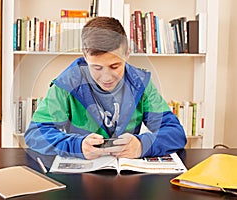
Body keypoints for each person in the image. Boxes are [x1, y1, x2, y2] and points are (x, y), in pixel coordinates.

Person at [24, 17, 186, 160]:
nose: (107, 77)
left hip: (126, 178)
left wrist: (142, 145)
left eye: (115, 66)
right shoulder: (66, 84)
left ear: (127, 53)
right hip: (81, 177)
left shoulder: (140, 83)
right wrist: (77, 146)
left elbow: (175, 133)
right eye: (97, 68)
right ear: (85, 55)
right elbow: (35, 134)